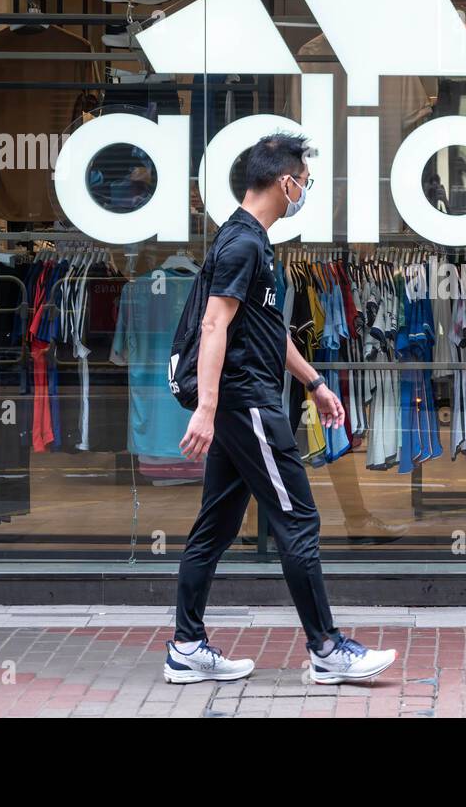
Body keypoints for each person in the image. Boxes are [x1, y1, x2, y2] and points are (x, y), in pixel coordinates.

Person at [163, 133, 397, 685]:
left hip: (242, 403)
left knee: (215, 527)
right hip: (246, 404)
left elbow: (267, 330)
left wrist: (314, 381)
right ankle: (326, 649)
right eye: (305, 183)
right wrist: (209, 407)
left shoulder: (251, 242)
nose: (305, 191)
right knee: (298, 518)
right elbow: (214, 324)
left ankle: (186, 646)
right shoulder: (243, 244)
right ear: (283, 181)